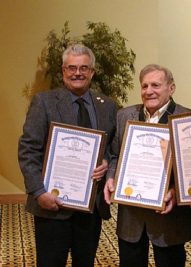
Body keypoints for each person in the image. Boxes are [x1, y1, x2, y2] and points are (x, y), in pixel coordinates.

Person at [18, 44, 117, 267]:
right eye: (72, 68)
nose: (77, 73)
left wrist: (105, 161)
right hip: (52, 204)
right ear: (63, 71)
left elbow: (112, 148)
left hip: (90, 207)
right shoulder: (44, 102)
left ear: (92, 72)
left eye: (84, 68)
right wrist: (38, 191)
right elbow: (28, 149)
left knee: (86, 262)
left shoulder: (107, 106)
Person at [105, 64, 191, 267]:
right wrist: (111, 176)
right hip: (131, 217)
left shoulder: (186, 118)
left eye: (156, 85)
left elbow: (190, 169)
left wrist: (175, 190)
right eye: (144, 86)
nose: (149, 91)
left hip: (168, 217)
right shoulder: (124, 116)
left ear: (171, 88)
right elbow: (115, 155)